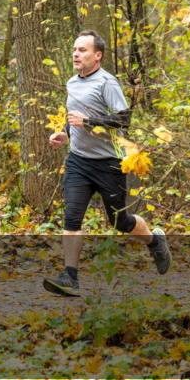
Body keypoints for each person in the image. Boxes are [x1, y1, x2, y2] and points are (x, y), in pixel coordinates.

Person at [44, 30, 172, 296]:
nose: (76, 54)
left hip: (108, 163)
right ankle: (70, 277)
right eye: (75, 50)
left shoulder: (107, 83)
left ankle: (154, 240)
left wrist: (89, 122)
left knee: (120, 222)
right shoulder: (71, 83)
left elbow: (124, 119)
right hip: (79, 161)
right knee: (72, 217)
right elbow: (74, 120)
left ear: (98, 55)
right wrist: (64, 134)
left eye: (83, 50)